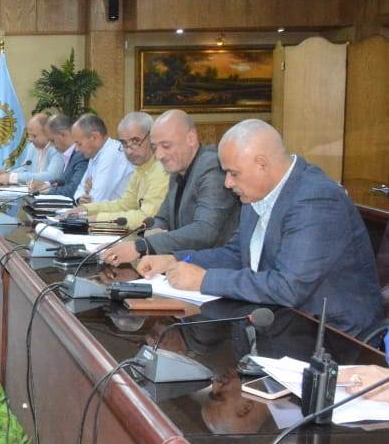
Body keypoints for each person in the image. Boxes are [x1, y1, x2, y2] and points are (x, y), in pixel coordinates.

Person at [137, 119, 382, 337]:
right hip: (280, 323)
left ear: (261, 164)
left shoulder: (315, 200)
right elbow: (236, 254)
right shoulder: (256, 192)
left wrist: (204, 280)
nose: (228, 183)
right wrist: (174, 260)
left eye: (233, 173)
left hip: (333, 337)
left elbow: (288, 286)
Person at [100, 110, 239, 266]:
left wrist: (143, 246)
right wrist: (145, 236)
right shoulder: (177, 168)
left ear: (191, 138)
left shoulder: (212, 167)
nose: (159, 155)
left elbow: (205, 230)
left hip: (214, 268)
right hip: (180, 264)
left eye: (166, 146)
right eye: (154, 147)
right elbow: (162, 219)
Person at [62, 111, 167, 227]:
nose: (129, 151)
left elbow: (146, 218)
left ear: (152, 138)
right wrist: (86, 209)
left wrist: (96, 219)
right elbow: (125, 205)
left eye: (135, 141)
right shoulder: (140, 167)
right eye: (124, 143)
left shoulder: (162, 168)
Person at [71, 113, 134, 204]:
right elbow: (80, 189)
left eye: (79, 143)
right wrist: (80, 198)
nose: (76, 149)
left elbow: (96, 200)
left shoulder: (111, 154)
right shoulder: (95, 154)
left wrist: (90, 191)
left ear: (94, 137)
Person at [0, 113, 62, 185]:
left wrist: (12, 177)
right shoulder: (32, 147)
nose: (30, 139)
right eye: (29, 135)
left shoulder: (57, 148)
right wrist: (7, 174)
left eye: (34, 136)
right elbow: (25, 168)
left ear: (47, 133)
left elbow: (52, 176)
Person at [29, 113, 88, 198]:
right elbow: (64, 180)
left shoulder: (81, 155)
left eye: (52, 140)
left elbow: (73, 189)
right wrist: (46, 184)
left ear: (62, 135)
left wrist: (48, 190)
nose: (51, 145)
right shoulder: (70, 153)